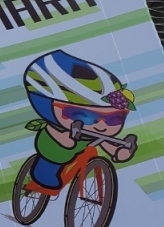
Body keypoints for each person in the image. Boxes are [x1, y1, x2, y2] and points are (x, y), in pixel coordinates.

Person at [22, 49, 136, 192]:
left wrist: (117, 151)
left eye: (113, 119)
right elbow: (52, 130)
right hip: (53, 143)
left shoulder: (95, 131)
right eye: (83, 115)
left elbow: (104, 140)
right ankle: (43, 172)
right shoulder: (57, 125)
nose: (101, 125)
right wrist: (62, 138)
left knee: (95, 141)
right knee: (56, 155)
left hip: (81, 144)